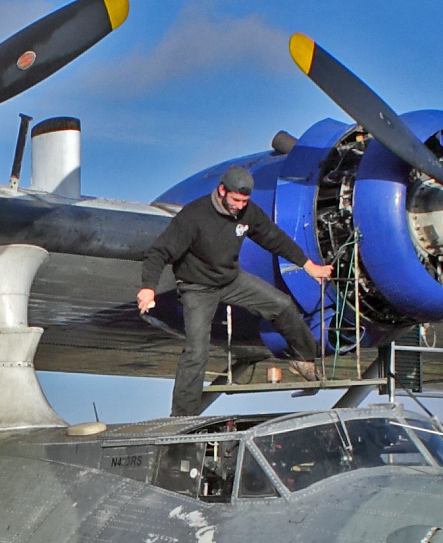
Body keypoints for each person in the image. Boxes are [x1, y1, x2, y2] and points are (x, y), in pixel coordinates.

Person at [138, 165, 333, 416]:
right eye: (236, 200)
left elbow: (273, 237)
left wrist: (308, 265)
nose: (240, 206)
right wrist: (148, 288)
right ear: (222, 190)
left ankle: (303, 358)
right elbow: (158, 252)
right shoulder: (194, 216)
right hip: (197, 287)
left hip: (231, 280)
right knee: (197, 351)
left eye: (244, 201)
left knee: (282, 305)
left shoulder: (247, 213)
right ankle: (182, 416)